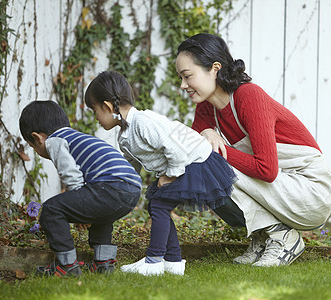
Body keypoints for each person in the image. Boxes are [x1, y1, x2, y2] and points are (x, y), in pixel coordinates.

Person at [176, 33, 331, 267]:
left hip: (309, 190)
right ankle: (264, 235)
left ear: (215, 68)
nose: (183, 85)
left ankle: (283, 236)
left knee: (209, 161)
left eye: (187, 76)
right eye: (180, 77)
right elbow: (188, 149)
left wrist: (217, 150)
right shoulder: (206, 108)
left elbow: (267, 169)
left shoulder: (248, 96)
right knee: (198, 164)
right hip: (280, 188)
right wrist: (205, 133)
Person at [84, 70, 236, 276]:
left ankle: (154, 260)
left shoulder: (143, 122)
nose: (96, 119)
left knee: (159, 205)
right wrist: (121, 184)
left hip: (195, 161)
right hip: (185, 163)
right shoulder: (124, 135)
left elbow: (175, 149)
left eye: (95, 111)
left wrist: (171, 175)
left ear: (108, 107)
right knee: (156, 204)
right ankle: (172, 261)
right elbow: (130, 166)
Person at [19, 100, 142, 277]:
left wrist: (79, 195)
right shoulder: (78, 137)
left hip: (110, 185)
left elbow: (70, 173)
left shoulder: (54, 141)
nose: (37, 151)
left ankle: (66, 265)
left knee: (51, 210)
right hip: (131, 188)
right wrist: (83, 205)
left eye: (33, 147)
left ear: (38, 137)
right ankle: (104, 262)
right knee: (103, 215)